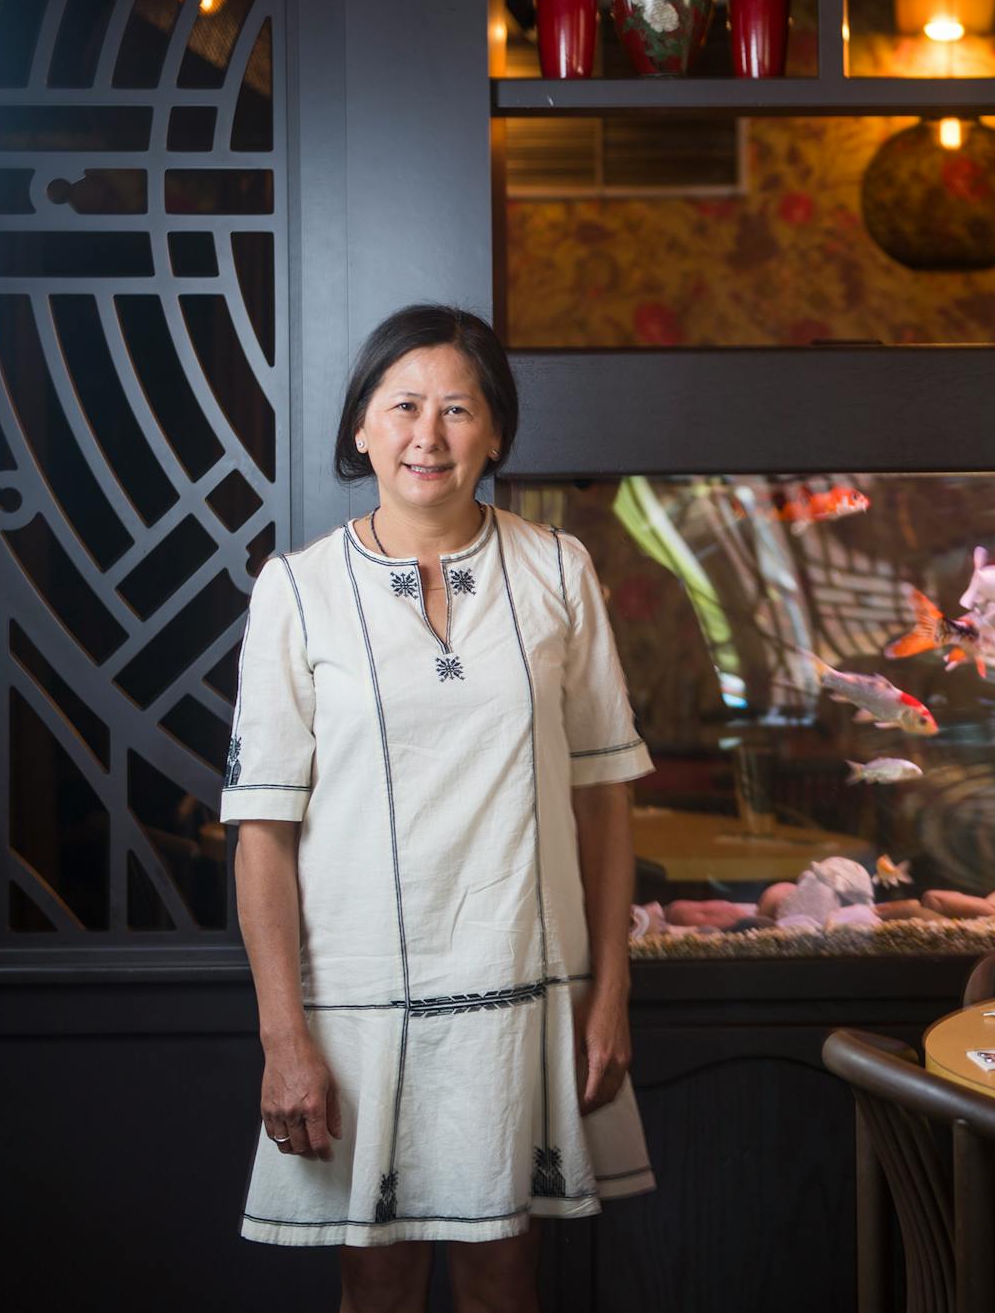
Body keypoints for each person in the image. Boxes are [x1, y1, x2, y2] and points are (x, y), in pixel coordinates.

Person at [225, 305, 653, 1311]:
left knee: (505, 1276)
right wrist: (283, 1039)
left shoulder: (559, 571)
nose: (429, 434)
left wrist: (611, 992)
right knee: (376, 1283)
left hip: (522, 986)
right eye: (404, 406)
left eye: (458, 409)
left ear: (495, 433)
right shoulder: (298, 590)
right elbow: (263, 835)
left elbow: (604, 803)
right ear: (361, 427)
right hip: (356, 1005)